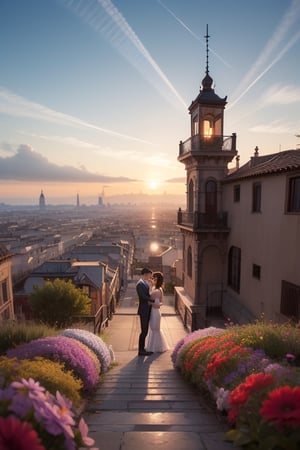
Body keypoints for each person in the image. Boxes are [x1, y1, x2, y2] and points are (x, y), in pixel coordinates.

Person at [145, 271, 170, 353]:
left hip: (155, 312)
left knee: (155, 329)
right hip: (154, 311)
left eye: (155, 277)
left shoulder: (158, 290)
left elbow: (159, 302)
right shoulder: (156, 288)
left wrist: (153, 303)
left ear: (158, 279)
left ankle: (154, 347)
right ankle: (154, 347)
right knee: (153, 329)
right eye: (153, 277)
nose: (153, 278)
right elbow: (160, 301)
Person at [136, 267, 154, 356]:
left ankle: (143, 349)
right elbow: (143, 296)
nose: (149, 278)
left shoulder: (144, 283)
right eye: (149, 276)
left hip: (146, 308)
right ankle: (141, 350)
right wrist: (153, 300)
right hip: (143, 309)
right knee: (144, 331)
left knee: (145, 330)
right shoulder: (139, 284)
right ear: (145, 274)